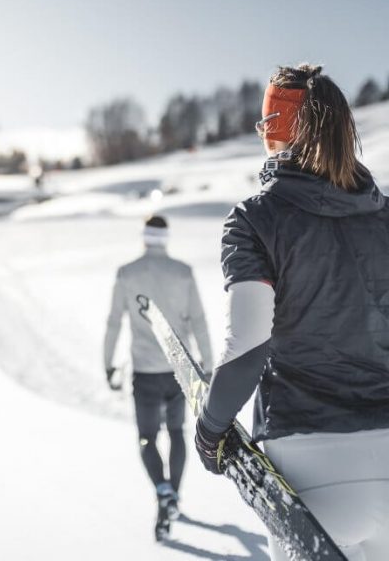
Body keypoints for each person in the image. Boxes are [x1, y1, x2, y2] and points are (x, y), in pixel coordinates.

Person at [194, 63, 389, 561]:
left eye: (265, 124)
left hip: (310, 472)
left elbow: (250, 341)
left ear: (278, 131)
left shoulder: (255, 219)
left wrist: (211, 428)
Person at [104, 215, 213, 539]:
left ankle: (162, 490)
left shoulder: (127, 273)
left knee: (147, 438)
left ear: (144, 238)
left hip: (145, 372)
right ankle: (174, 496)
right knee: (177, 432)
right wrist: (207, 365)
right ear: (165, 238)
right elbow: (199, 321)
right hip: (180, 370)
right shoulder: (183, 272)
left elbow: (114, 323)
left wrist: (108, 364)